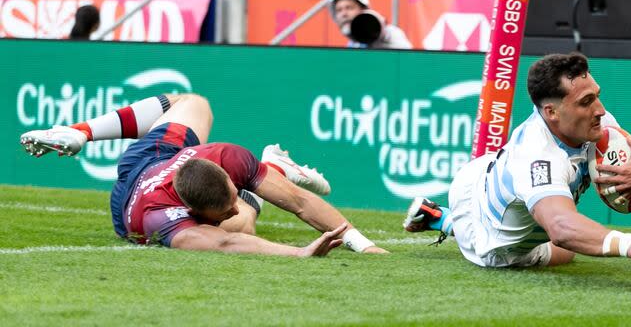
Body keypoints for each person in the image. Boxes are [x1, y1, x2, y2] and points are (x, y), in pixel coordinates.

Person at [403, 52, 631, 268]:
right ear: (551, 112)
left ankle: (437, 215)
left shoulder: (598, 123)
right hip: (492, 242)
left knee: (575, 237)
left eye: (597, 96)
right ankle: (445, 220)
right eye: (586, 102)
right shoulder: (538, 156)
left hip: (483, 173)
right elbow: (561, 228)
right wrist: (630, 245)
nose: (599, 110)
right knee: (566, 251)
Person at [19, 92, 387, 256]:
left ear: (223, 172)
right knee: (243, 224)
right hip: (134, 201)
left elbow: (300, 201)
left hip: (153, 158)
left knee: (191, 102)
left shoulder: (226, 157)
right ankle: (275, 165)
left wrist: (362, 243)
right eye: (224, 208)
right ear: (196, 214)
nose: (233, 203)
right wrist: (299, 253)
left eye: (235, 191)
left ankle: (80, 131)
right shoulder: (165, 221)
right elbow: (228, 243)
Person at [330, 0, 412, 49]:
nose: (344, 14)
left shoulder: (392, 33)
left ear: (364, 9)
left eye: (349, 8)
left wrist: (379, 30)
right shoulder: (353, 44)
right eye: (339, 10)